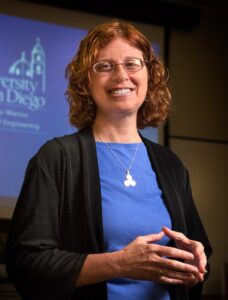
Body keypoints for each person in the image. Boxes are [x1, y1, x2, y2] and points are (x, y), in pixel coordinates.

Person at [5, 20, 212, 300]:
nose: (121, 76)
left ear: (149, 76)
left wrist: (195, 261)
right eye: (104, 66)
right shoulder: (55, 157)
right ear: (86, 82)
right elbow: (26, 265)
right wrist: (119, 263)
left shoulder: (170, 164)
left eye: (132, 64)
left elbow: (200, 258)